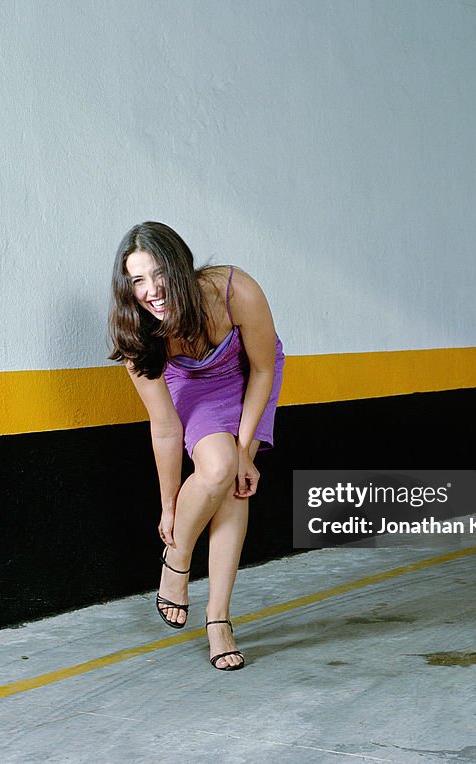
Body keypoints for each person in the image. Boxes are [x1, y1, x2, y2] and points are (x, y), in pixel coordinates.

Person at [108, 221, 284, 671]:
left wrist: (247, 451)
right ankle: (179, 557)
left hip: (246, 376)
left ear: (181, 267)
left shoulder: (233, 290)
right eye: (137, 281)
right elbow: (165, 427)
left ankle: (218, 619)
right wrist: (170, 507)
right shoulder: (138, 334)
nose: (151, 291)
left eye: (159, 274)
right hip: (191, 384)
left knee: (233, 480)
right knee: (220, 466)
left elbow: (263, 369)